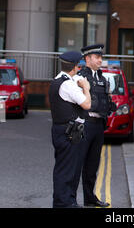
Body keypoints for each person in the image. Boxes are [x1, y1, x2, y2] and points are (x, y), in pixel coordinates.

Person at [48, 51, 91, 209]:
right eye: (79, 65)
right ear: (75, 67)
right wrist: (86, 88)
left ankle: (68, 201)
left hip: (64, 131)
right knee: (66, 169)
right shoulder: (67, 85)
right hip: (68, 132)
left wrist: (78, 79)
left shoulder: (60, 80)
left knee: (69, 168)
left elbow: (75, 79)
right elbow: (87, 104)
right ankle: (63, 203)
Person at [75, 44, 115, 208]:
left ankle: (89, 198)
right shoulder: (80, 77)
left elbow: (106, 99)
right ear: (87, 59)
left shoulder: (101, 77)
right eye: (97, 57)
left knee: (93, 164)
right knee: (76, 164)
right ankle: (70, 199)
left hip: (98, 126)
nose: (100, 60)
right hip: (85, 124)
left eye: (101, 57)